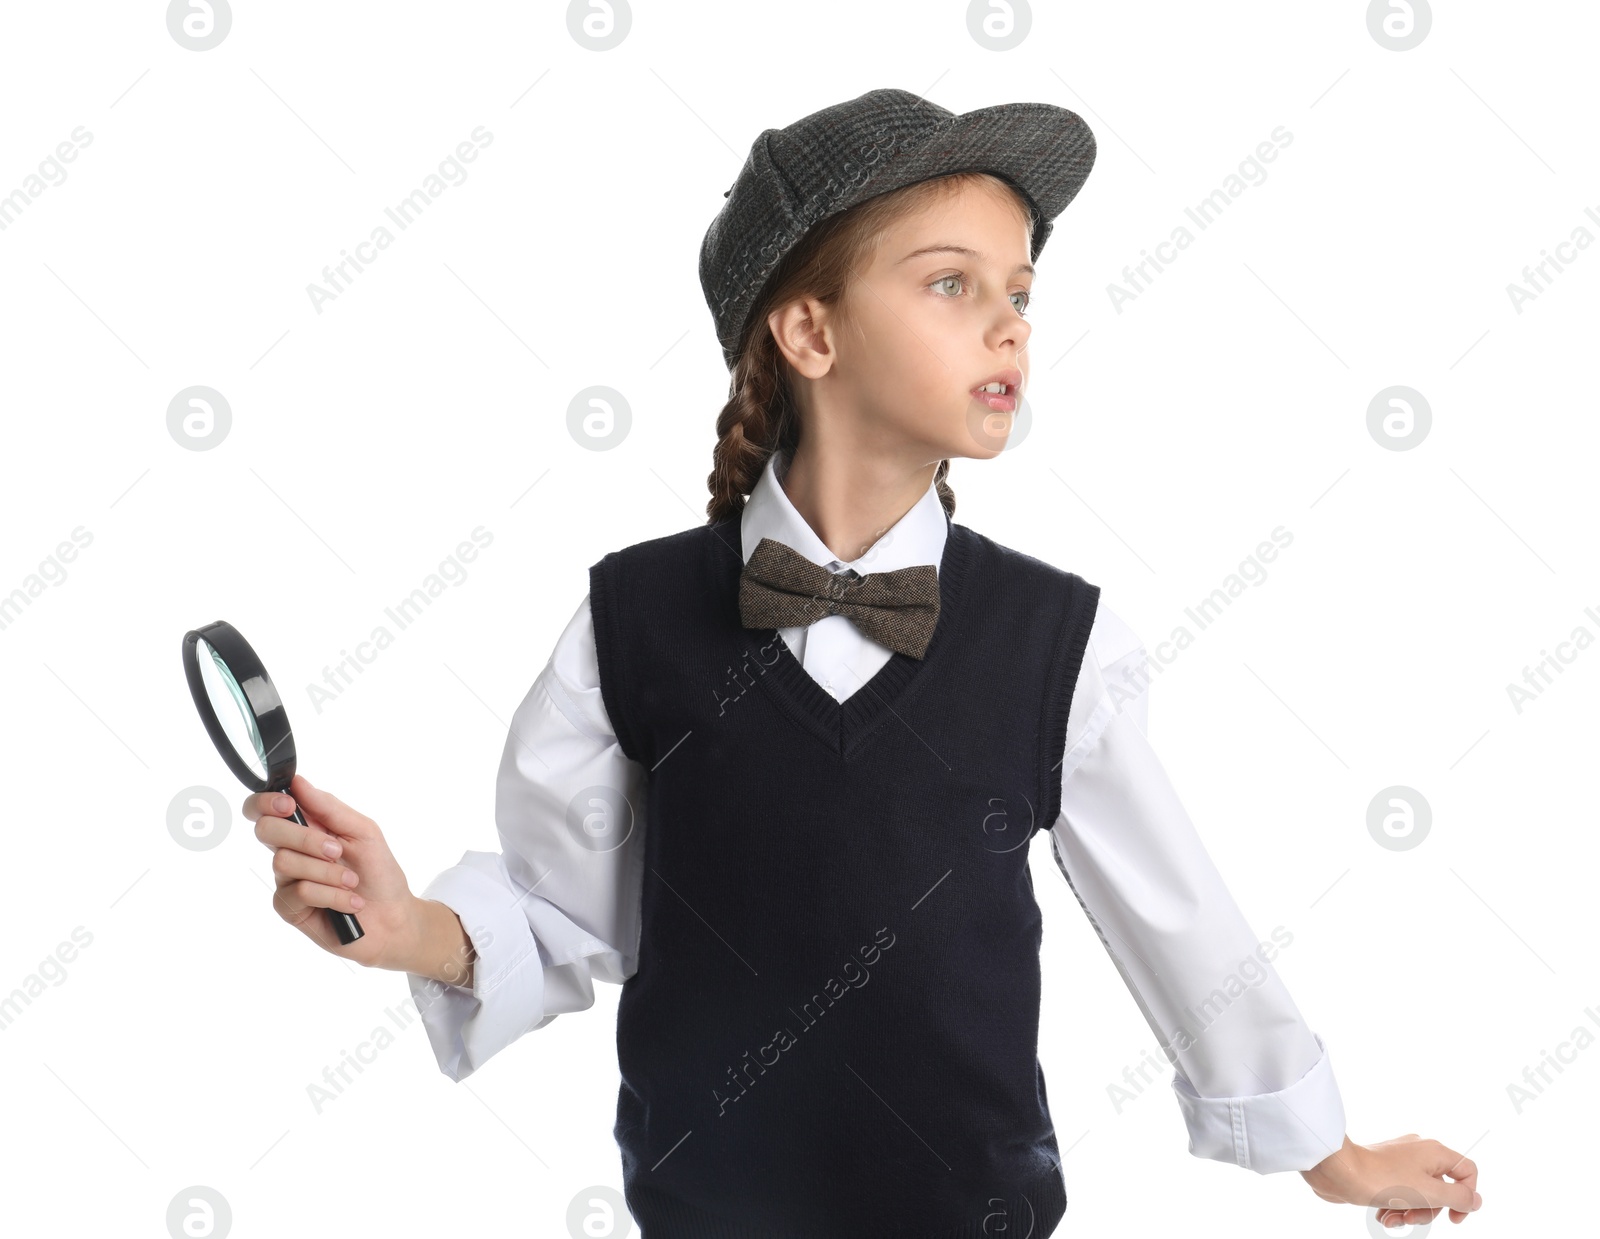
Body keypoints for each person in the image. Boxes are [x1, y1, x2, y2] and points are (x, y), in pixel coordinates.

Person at [242, 88, 1483, 1235]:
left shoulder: (1054, 639)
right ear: (808, 331)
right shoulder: (636, 615)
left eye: (1020, 289)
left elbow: (1177, 917)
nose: (1009, 321)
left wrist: (1326, 1148)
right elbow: (572, 912)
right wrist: (409, 927)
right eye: (950, 283)